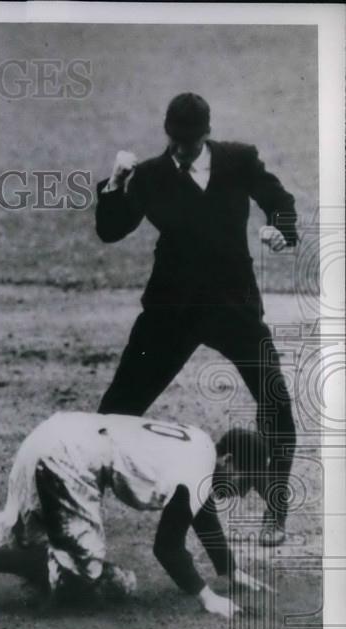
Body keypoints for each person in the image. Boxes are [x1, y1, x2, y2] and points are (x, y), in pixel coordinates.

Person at [94, 93, 297, 546]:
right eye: (174, 140)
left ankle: (276, 509)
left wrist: (283, 229)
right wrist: (113, 186)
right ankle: (81, 501)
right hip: (173, 310)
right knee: (117, 409)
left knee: (276, 401)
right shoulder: (149, 175)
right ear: (167, 132)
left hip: (232, 306)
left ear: (205, 133)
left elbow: (276, 196)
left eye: (189, 141)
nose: (181, 149)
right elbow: (111, 230)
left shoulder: (238, 160)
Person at [0, 412, 270, 616]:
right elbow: (168, 547)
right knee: (82, 573)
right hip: (70, 458)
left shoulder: (200, 443)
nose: (242, 491)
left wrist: (229, 568)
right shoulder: (201, 472)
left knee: (19, 531)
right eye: (245, 481)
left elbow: (199, 511)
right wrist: (208, 597)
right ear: (231, 461)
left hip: (52, 433)